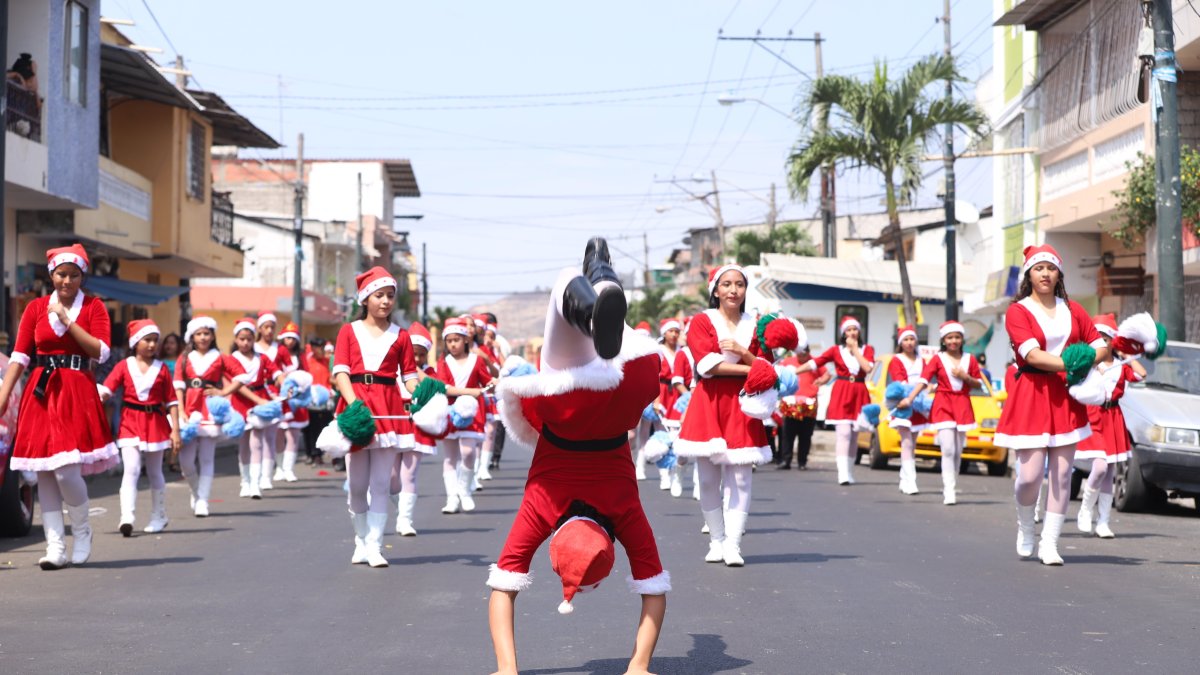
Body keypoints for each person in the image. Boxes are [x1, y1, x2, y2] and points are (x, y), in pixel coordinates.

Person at [487, 239, 668, 675]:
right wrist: (506, 670)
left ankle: (602, 281)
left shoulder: (623, 512)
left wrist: (640, 665)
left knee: (616, 342)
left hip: (621, 389)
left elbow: (655, 591)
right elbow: (502, 588)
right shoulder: (542, 508)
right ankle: (586, 290)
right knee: (563, 292)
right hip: (566, 402)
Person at [0, 244, 118, 569]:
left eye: (74, 275)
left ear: (82, 276)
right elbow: (20, 356)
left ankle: (82, 531)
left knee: (66, 471)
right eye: (61, 274)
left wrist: (67, 320)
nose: (67, 281)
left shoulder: (93, 307)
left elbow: (101, 351)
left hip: (76, 391)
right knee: (44, 473)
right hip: (41, 392)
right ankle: (55, 547)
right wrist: (4, 396)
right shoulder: (36, 308)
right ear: (51, 275)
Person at [995, 245, 1107, 566]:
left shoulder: (1074, 309)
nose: (1045, 274)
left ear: (1059, 274)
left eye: (1051, 268)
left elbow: (1101, 347)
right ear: (1029, 275)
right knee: (1029, 476)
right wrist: (1071, 363)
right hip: (1031, 393)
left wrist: (1086, 358)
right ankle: (1025, 524)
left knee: (1061, 475)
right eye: (1038, 268)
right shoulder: (1018, 311)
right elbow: (1032, 355)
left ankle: (1050, 543)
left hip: (1066, 397)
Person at [674, 264, 771, 567]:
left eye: (739, 284)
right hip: (709, 401)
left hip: (743, 404)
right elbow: (707, 365)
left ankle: (733, 544)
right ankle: (716, 540)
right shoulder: (702, 321)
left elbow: (768, 367)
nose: (733, 290)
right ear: (715, 290)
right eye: (726, 284)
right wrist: (750, 367)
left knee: (741, 479)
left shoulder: (756, 325)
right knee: (707, 479)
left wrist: (744, 352)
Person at [331, 267, 421, 567]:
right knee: (357, 485)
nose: (385, 301)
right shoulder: (348, 331)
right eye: (379, 295)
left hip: (388, 407)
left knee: (381, 483)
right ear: (365, 299)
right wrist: (355, 406)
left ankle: (375, 545)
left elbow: (409, 377)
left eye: (390, 296)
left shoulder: (402, 336)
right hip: (356, 405)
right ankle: (361, 540)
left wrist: (425, 393)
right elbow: (341, 372)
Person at [100, 320, 182, 535]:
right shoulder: (123, 365)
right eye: (147, 340)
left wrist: (175, 430)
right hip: (130, 421)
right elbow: (107, 389)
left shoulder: (162, 369)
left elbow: (172, 401)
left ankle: (159, 515)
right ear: (135, 342)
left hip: (156, 422)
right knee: (132, 469)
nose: (152, 344)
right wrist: (94, 397)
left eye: (155, 340)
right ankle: (127, 516)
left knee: (154, 471)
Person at [1074, 314, 1145, 538]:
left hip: (1113, 417)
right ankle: (1085, 509)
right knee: (1100, 467)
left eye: (1105, 339)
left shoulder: (1120, 365)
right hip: (1092, 415)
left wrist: (1126, 354)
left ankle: (1103, 521)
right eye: (1097, 338)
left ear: (1113, 341)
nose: (1101, 343)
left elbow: (1141, 374)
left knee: (1110, 472)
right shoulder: (1087, 363)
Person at [909, 321, 983, 505]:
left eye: (957, 337)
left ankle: (952, 483)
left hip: (963, 404)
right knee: (948, 449)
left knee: (957, 450)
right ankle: (949, 490)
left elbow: (978, 384)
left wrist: (965, 377)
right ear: (943, 340)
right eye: (950, 337)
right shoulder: (938, 359)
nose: (953, 341)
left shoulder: (970, 359)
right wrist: (910, 398)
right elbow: (924, 380)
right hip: (943, 403)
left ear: (962, 339)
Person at [174, 316, 239, 516]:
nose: (203, 337)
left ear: (212, 336)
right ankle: (196, 491)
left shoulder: (220, 357)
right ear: (192, 336)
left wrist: (223, 392)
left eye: (206, 333)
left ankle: (203, 500)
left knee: (207, 459)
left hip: (209, 411)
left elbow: (241, 376)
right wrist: (181, 410)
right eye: (199, 334)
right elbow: (178, 385)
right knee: (185, 462)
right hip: (189, 411)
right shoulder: (184, 358)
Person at [804, 315, 876, 486]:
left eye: (855, 329)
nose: (852, 332)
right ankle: (842, 473)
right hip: (842, 391)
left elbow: (867, 368)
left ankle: (849, 471)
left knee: (854, 435)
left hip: (859, 391)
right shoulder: (836, 350)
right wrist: (794, 371)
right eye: (848, 330)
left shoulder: (867, 349)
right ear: (843, 333)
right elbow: (816, 362)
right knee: (844, 433)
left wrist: (855, 349)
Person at [435, 317, 492, 514]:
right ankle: (451, 498)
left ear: (465, 340)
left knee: (468, 452)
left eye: (456, 340)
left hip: (472, 414)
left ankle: (464, 491)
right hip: (450, 413)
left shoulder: (476, 360)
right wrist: (470, 392)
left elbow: (486, 381)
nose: (452, 344)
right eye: (449, 341)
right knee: (450, 457)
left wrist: (495, 383)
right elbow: (443, 387)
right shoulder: (443, 362)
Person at [389, 321, 439, 536]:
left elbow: (435, 389)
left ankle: (405, 520)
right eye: (413, 354)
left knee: (408, 475)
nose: (417, 358)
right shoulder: (392, 369)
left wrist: (415, 370)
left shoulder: (430, 373)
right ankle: (400, 509)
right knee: (391, 478)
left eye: (421, 354)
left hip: (418, 425)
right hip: (395, 422)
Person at [227, 318, 281, 499]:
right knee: (243, 444)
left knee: (257, 443)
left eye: (249, 339)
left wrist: (287, 383)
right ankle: (245, 482)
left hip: (260, 402)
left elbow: (277, 372)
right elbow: (238, 386)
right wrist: (258, 400)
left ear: (253, 339)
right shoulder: (231, 359)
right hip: (241, 402)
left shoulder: (262, 357)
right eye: (241, 339)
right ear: (236, 339)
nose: (245, 343)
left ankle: (256, 483)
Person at [883, 326, 928, 493]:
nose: (909, 343)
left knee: (912, 443)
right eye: (906, 340)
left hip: (919, 404)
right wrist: (909, 397)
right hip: (903, 403)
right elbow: (899, 381)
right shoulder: (896, 360)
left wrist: (927, 389)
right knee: (907, 441)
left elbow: (926, 380)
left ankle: (904, 478)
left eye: (912, 339)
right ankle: (911, 481)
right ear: (900, 343)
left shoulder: (922, 360)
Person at [253, 312, 293, 488]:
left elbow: (290, 369)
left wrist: (285, 382)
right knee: (255, 437)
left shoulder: (280, 349)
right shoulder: (252, 347)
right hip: (255, 393)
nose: (269, 330)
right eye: (266, 327)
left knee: (272, 435)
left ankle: (268, 475)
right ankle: (252, 477)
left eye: (272, 327)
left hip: (276, 393)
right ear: (259, 329)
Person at [777, 346, 829, 470]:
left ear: (808, 353)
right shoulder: (788, 362)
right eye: (799, 354)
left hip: (809, 404)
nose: (801, 356)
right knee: (787, 434)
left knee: (806, 435)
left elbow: (827, 374)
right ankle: (786, 460)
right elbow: (778, 373)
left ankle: (802, 462)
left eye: (804, 354)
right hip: (791, 403)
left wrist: (821, 381)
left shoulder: (815, 362)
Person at [275, 321, 306, 482]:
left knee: (293, 436)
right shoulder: (276, 354)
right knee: (278, 435)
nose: (290, 341)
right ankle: (279, 468)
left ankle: (289, 469)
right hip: (280, 399)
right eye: (287, 338)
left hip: (297, 400)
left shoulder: (300, 356)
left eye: (293, 338)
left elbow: (307, 376)